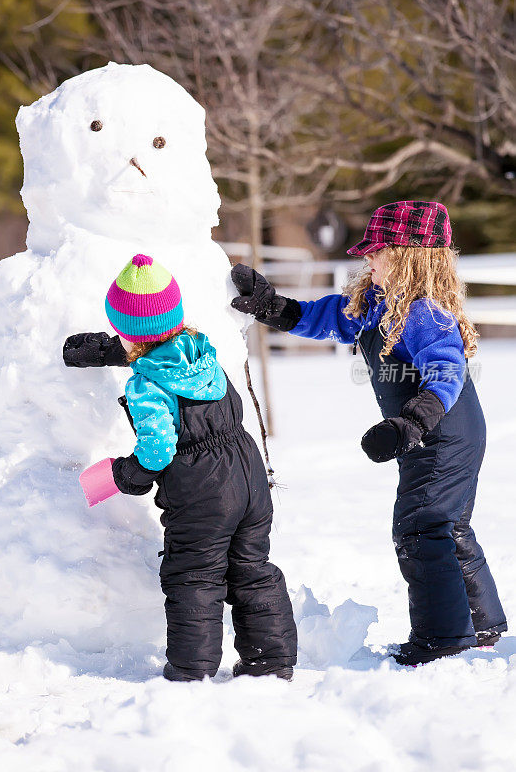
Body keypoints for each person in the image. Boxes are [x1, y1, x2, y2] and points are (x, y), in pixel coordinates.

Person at [230, 201, 507, 666]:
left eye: (378, 252)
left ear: (410, 257)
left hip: (442, 431)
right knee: (448, 525)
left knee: (420, 527)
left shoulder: (424, 312)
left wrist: (412, 422)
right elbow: (324, 318)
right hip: (436, 433)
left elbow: (446, 371)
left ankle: (443, 638)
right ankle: (481, 623)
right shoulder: (377, 304)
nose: (369, 260)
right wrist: (270, 307)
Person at [63, 253, 297, 681]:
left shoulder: (146, 384)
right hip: (248, 475)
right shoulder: (201, 350)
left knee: (195, 577)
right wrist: (115, 352)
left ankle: (191, 672)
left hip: (202, 490)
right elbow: (158, 349)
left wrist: (123, 475)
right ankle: (271, 663)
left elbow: (157, 449)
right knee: (252, 569)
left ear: (123, 329)